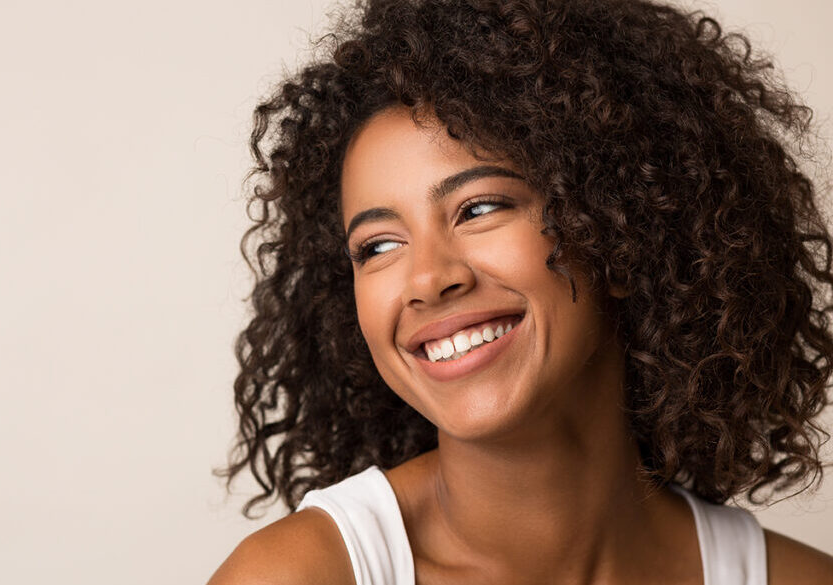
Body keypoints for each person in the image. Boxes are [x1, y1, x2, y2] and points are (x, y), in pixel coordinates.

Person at [209, 0, 833, 583]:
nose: (427, 279)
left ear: (622, 228)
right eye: (377, 246)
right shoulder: (300, 575)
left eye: (479, 208)